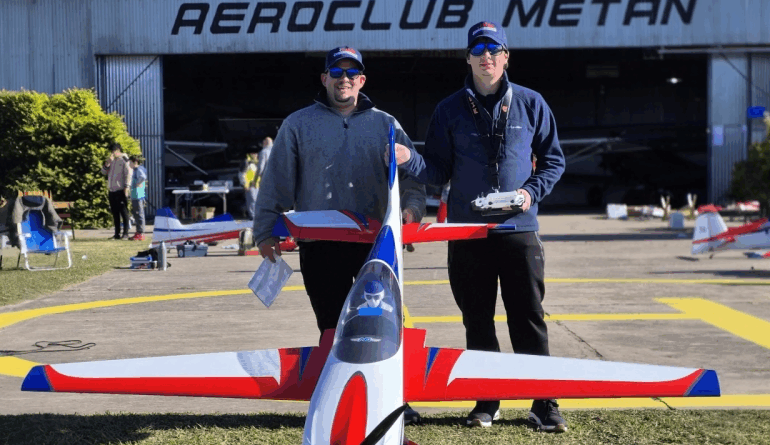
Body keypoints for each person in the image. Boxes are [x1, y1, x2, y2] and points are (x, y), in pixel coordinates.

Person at [396, 21, 567, 432]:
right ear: (469, 58)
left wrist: (530, 192)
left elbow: (555, 161)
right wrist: (408, 160)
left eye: (495, 49)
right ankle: (487, 399)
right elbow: (436, 169)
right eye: (479, 50)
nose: (487, 56)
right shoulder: (449, 109)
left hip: (518, 231)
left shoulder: (531, 103)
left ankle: (544, 402)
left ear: (506, 57)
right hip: (467, 233)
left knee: (528, 317)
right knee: (477, 319)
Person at [252, 45, 425, 425]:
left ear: (362, 80)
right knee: (332, 326)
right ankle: (335, 394)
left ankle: (396, 398)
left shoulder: (387, 124)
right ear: (324, 78)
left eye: (352, 73)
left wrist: (410, 212)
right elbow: (276, 181)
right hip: (320, 245)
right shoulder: (297, 124)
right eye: (337, 72)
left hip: (374, 246)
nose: (344, 79)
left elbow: (413, 177)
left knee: (382, 325)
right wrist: (264, 229)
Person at [101, 143, 132, 240]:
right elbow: (103, 172)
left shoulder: (124, 159)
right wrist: (107, 164)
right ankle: (117, 234)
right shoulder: (111, 161)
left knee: (124, 212)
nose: (112, 153)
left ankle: (126, 233)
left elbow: (129, 173)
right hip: (112, 190)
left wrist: (127, 187)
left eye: (114, 151)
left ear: (118, 150)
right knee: (115, 213)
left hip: (121, 189)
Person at [128, 155, 147, 241]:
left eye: (130, 162)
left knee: (139, 214)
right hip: (136, 196)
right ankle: (138, 232)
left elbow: (143, 177)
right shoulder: (136, 169)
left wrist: (138, 183)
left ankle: (141, 233)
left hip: (138, 196)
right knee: (137, 214)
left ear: (135, 162)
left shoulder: (139, 169)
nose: (129, 164)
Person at [239, 147, 260, 220]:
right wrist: (244, 184)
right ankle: (252, 217)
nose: (257, 155)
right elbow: (241, 174)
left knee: (255, 201)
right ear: (251, 154)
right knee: (252, 201)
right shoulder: (246, 162)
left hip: (256, 185)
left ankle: (246, 211)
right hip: (249, 185)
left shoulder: (255, 162)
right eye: (255, 153)